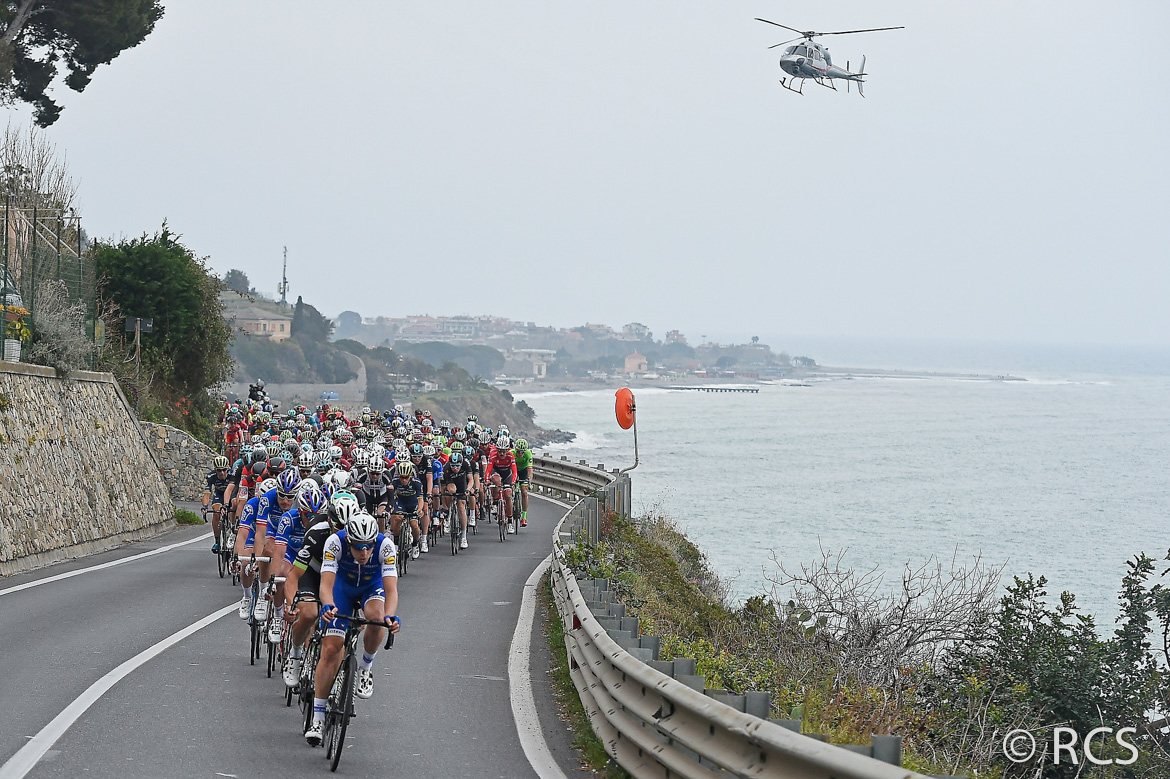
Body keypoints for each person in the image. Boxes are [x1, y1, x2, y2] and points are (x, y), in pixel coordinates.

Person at [305, 512, 400, 746]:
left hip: (371, 587)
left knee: (377, 618)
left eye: (368, 547)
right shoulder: (334, 542)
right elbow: (326, 585)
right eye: (359, 547)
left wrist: (390, 616)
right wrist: (327, 605)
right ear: (349, 541)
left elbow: (391, 591)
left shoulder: (385, 546)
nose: (364, 553)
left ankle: (365, 668)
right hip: (343, 589)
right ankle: (317, 718)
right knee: (330, 650)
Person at [202, 455, 231, 553]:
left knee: (233, 510)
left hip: (231, 494)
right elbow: (207, 494)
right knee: (216, 512)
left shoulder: (232, 475)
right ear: (215, 470)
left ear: (228, 468)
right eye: (219, 470)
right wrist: (205, 507)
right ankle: (217, 541)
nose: (222, 473)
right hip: (219, 495)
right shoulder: (211, 476)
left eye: (224, 470)